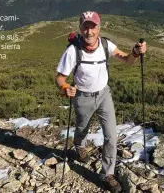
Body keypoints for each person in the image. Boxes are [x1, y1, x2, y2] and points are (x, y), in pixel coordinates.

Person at [56, 11, 146, 193]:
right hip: (82, 97)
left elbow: (127, 61)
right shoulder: (73, 51)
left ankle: (107, 174)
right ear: (80, 29)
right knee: (82, 128)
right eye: (85, 27)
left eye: (93, 27)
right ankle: (79, 145)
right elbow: (60, 78)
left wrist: (135, 53)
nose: (89, 32)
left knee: (111, 136)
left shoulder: (106, 44)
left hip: (104, 95)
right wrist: (66, 88)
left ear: (99, 28)